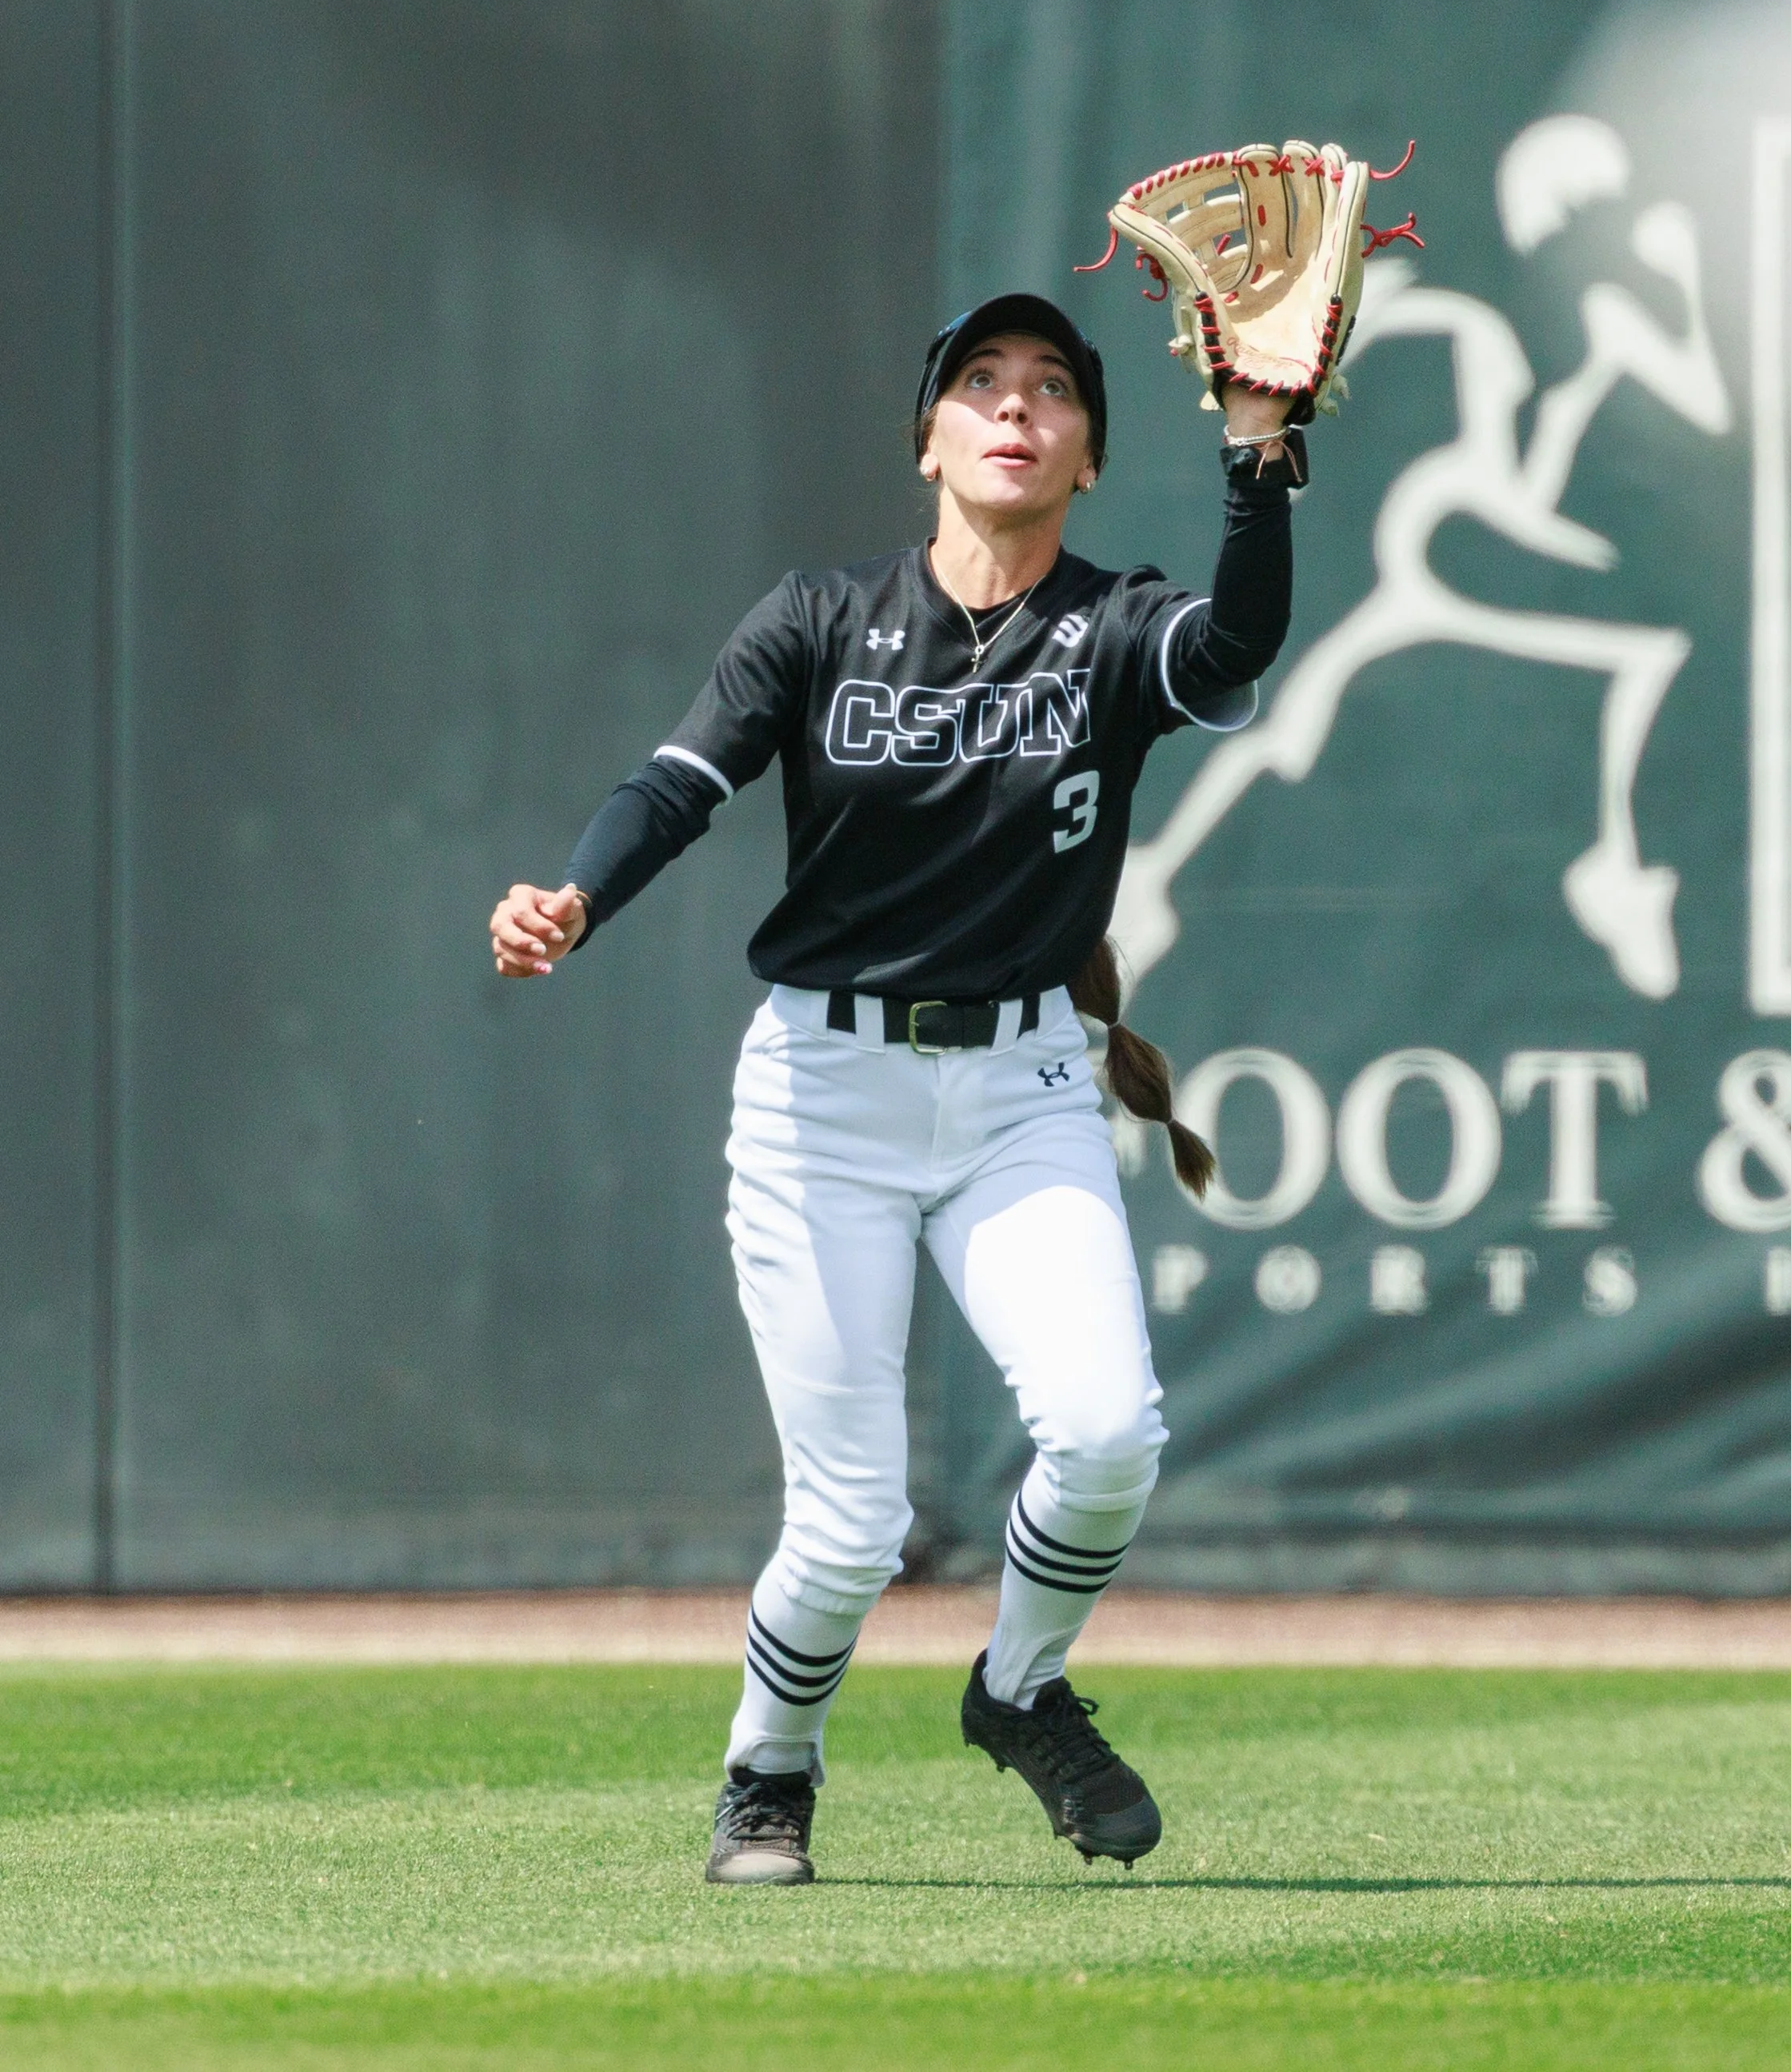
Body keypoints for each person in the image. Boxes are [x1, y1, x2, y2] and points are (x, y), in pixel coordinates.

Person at [489, 293, 1309, 1884]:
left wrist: (1258, 445)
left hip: (1020, 1086)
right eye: (979, 385)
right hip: (824, 1097)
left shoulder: (1115, 627)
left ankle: (1017, 1687)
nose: (1014, 406)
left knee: (1105, 1432)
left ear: (1082, 452)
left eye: (1051, 389)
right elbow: (677, 782)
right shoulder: (816, 618)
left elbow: (1239, 645)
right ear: (925, 438)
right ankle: (767, 1770)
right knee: (853, 1524)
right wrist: (578, 892)